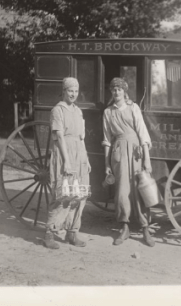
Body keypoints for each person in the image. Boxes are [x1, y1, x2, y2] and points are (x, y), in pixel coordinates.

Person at [102, 78, 155, 247]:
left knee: (139, 190)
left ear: (125, 91)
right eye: (114, 89)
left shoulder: (133, 108)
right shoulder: (108, 112)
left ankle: (145, 227)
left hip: (136, 152)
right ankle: (124, 228)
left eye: (119, 89)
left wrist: (147, 158)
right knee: (122, 191)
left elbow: (142, 133)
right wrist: (107, 164)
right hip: (118, 153)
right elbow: (107, 140)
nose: (116, 92)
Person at [44, 77, 91, 249]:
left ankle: (72, 232)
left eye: (76, 91)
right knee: (63, 194)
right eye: (70, 90)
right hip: (65, 152)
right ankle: (49, 233)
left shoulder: (78, 112)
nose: (73, 94)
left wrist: (86, 159)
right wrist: (66, 161)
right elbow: (60, 137)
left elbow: (82, 138)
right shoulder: (58, 110)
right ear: (64, 91)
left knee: (80, 195)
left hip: (79, 154)